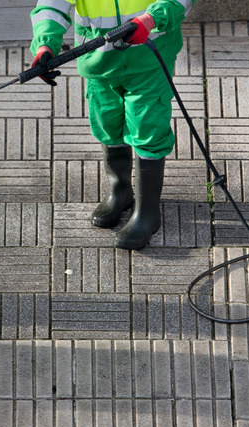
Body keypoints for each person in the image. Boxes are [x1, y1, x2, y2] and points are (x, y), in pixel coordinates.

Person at [30, 0, 194, 250]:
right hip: (99, 62)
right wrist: (45, 44)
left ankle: (147, 214)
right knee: (107, 124)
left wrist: (151, 19)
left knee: (148, 128)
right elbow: (51, 4)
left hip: (149, 57)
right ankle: (121, 192)